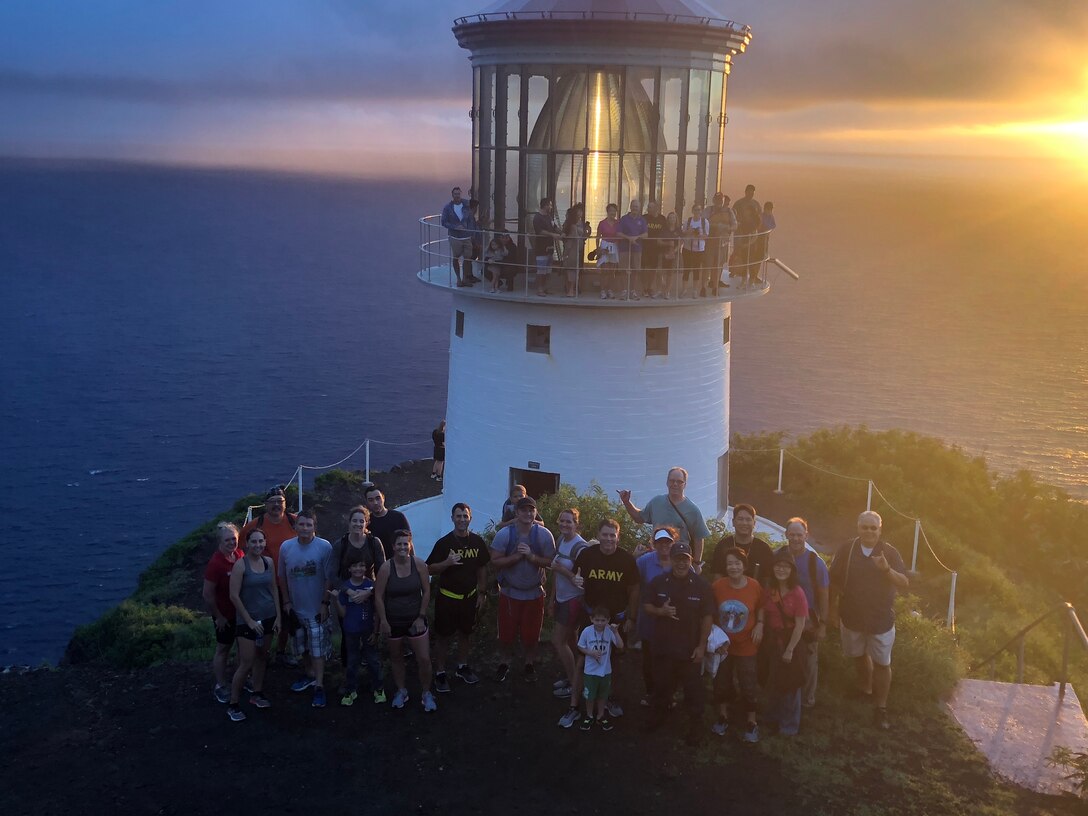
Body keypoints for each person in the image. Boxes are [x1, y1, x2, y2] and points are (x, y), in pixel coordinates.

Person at [829, 511, 909, 731]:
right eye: (865, 527)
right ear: (858, 528)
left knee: (883, 663)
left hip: (880, 619)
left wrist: (886, 569)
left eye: (873, 528)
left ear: (880, 529)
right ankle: (864, 689)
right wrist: (832, 611)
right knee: (858, 654)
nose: (869, 531)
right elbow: (834, 581)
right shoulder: (847, 549)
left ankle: (880, 707)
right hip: (851, 616)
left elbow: (904, 582)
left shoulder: (889, 552)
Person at [643, 540, 715, 745]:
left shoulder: (702, 586)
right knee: (661, 686)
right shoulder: (659, 582)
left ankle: (695, 726)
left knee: (693, 691)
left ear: (691, 560)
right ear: (671, 560)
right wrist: (660, 611)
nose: (681, 563)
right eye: (677, 559)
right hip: (664, 647)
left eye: (685, 559)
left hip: (690, 650)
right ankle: (659, 716)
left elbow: (708, 617)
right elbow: (647, 605)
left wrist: (701, 647)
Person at [570, 518, 639, 718]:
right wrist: (576, 580)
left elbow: (634, 590)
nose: (609, 539)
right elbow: (577, 578)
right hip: (591, 617)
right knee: (582, 660)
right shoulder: (587, 555)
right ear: (598, 535)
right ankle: (574, 705)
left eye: (612, 535)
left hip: (616, 620)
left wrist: (631, 618)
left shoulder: (626, 560)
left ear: (618, 537)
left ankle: (610, 698)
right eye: (605, 534)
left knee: (615, 661)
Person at [489, 495, 556, 682]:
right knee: (506, 633)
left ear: (535, 512)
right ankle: (504, 662)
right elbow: (495, 561)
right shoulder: (505, 534)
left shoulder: (544, 534)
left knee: (532, 634)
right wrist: (517, 557)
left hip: (534, 592)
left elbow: (551, 562)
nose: (528, 513)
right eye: (524, 510)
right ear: (516, 513)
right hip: (510, 592)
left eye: (531, 510)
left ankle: (529, 663)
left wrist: (532, 557)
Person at [426, 503, 489, 692]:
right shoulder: (444, 543)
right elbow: (429, 568)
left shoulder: (477, 542)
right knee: (443, 637)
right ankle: (440, 672)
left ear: (470, 518)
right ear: (452, 518)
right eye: (458, 516)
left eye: (465, 516)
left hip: (469, 598)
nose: (462, 519)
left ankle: (462, 666)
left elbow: (482, 567)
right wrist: (447, 562)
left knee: (465, 634)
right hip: (447, 598)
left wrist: (482, 592)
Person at [277, 509, 335, 708]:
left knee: (317, 650)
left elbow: (329, 578)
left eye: (309, 524)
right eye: (301, 524)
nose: (305, 528)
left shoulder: (324, 547)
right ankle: (310, 674)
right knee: (302, 647)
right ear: (295, 526)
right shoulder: (286, 548)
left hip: (316, 610)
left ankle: (319, 685)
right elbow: (282, 577)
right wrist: (286, 603)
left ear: (314, 527)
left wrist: (325, 603)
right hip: (296, 610)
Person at [375, 530, 436, 711]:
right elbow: (378, 596)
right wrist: (383, 621)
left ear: (410, 545)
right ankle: (401, 691)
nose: (402, 547)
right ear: (393, 546)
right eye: (399, 544)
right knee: (396, 657)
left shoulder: (419, 565)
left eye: (405, 544)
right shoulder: (386, 568)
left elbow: (426, 591)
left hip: (415, 620)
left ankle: (426, 692)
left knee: (424, 659)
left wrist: (421, 616)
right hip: (394, 620)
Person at [226, 527, 281, 721]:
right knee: (246, 662)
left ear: (265, 543)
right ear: (247, 544)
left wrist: (278, 617)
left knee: (262, 657)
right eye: (254, 542)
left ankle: (256, 693)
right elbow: (233, 595)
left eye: (261, 541)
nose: (258, 545)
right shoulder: (241, 565)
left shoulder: (268, 562)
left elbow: (274, 589)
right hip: (247, 621)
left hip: (268, 617)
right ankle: (233, 703)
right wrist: (248, 620)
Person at [711, 547, 763, 742]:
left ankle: (751, 720)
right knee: (721, 681)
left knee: (748, 682)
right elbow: (710, 611)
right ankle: (722, 715)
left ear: (744, 565)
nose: (733, 567)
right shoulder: (718, 586)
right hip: (723, 645)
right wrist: (714, 638)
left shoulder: (754, 586)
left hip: (747, 644)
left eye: (737, 563)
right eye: (730, 563)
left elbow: (762, 607)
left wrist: (760, 623)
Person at [775, 517, 829, 708]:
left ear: (807, 535)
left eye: (800, 535)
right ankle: (782, 697)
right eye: (792, 534)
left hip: (808, 622)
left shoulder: (816, 563)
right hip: (781, 620)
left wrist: (823, 624)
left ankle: (807, 700)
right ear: (786, 534)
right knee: (782, 658)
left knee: (809, 662)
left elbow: (823, 594)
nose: (796, 538)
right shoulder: (778, 556)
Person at [239, 487, 296, 661]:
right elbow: (241, 550)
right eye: (273, 502)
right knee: (265, 619)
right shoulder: (254, 526)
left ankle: (280, 651)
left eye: (281, 501)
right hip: (264, 582)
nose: (277, 505)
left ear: (285, 504)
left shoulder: (295, 521)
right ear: (265, 504)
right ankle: (260, 654)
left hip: (292, 580)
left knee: (287, 621)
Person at [617, 467, 711, 566]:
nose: (675, 484)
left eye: (679, 482)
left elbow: (698, 539)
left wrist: (696, 563)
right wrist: (626, 502)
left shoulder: (692, 510)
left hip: (679, 561)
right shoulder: (657, 502)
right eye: (672, 481)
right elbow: (639, 518)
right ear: (667, 482)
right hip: (657, 559)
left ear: (685, 485)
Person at [763, 553, 809, 736]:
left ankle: (789, 726)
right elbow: (761, 610)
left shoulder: (797, 592)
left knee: (791, 684)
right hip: (773, 641)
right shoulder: (769, 590)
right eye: (778, 566)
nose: (781, 569)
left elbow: (800, 625)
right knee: (773, 681)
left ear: (792, 571)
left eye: (786, 567)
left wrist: (790, 649)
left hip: (792, 642)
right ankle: (772, 718)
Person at [552, 508, 590, 728]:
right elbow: (557, 572)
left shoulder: (580, 547)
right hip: (561, 597)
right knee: (572, 641)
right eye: (562, 521)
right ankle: (575, 677)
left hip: (574, 600)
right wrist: (552, 598)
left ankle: (573, 684)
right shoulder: (561, 539)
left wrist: (560, 569)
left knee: (558, 641)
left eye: (570, 522)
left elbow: (581, 580)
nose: (565, 525)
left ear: (577, 524)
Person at [635, 526, 680, 707]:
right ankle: (651, 692)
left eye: (667, 542)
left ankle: (669, 695)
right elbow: (631, 579)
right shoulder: (644, 561)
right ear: (654, 544)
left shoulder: (681, 561)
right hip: (649, 619)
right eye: (660, 542)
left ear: (673, 542)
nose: (664, 545)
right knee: (649, 659)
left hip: (673, 622)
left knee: (671, 659)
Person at [202, 521, 244, 704]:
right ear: (220, 542)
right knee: (223, 649)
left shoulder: (240, 555)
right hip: (225, 615)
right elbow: (207, 594)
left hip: (241, 613)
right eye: (227, 540)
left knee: (242, 647)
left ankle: (239, 679)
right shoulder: (216, 564)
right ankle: (221, 684)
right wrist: (218, 616)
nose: (231, 543)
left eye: (234, 539)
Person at [333, 557, 383, 706]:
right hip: (350, 630)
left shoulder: (371, 586)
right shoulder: (345, 587)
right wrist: (335, 600)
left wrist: (376, 632)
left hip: (368, 629)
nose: (358, 569)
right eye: (354, 566)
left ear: (366, 568)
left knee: (373, 660)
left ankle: (378, 688)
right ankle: (351, 689)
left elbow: (377, 611)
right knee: (352, 660)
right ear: (349, 569)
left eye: (361, 566)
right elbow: (342, 614)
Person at [576, 607, 625, 731]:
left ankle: (600, 715)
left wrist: (616, 632)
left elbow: (620, 645)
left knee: (603, 695)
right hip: (590, 671)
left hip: (605, 671)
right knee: (590, 696)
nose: (599, 623)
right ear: (591, 619)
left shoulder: (609, 631)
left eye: (603, 620)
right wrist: (590, 653)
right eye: (597, 620)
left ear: (608, 620)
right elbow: (580, 647)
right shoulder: (587, 631)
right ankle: (589, 715)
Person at [708, 503, 776, 585]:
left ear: (754, 523)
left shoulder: (764, 549)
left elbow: (768, 580)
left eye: (748, 519)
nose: (744, 523)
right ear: (733, 522)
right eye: (740, 519)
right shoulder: (723, 545)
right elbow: (717, 577)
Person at [440, 186, 480, 287]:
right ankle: (458, 279)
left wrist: (472, 233)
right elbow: (444, 222)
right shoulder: (447, 208)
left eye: (458, 194)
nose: (457, 196)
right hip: (455, 237)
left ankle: (465, 279)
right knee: (456, 258)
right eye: (455, 194)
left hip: (466, 237)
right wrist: (455, 227)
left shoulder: (466, 204)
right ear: (452, 195)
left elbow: (470, 219)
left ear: (460, 194)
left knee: (467, 258)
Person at [365, 485, 411, 559]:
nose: (375, 503)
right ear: (366, 503)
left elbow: (409, 542)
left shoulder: (398, 517)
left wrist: (413, 564)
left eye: (378, 498)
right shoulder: (366, 522)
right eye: (371, 500)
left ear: (383, 498)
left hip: (398, 563)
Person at [617, 199, 648, 300]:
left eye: (637, 207)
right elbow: (618, 233)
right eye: (633, 206)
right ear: (630, 207)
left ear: (639, 208)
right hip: (624, 248)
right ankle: (624, 291)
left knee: (636, 270)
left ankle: (632, 291)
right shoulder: (624, 219)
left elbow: (646, 234)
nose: (635, 208)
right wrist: (629, 238)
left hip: (637, 248)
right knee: (623, 269)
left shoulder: (642, 220)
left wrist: (636, 237)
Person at [531, 197, 563, 296]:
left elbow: (554, 227)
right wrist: (553, 235)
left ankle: (545, 287)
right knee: (541, 269)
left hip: (550, 247)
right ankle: (540, 288)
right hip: (541, 247)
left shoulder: (549, 217)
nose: (551, 207)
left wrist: (562, 232)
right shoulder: (537, 217)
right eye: (550, 205)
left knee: (548, 270)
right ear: (545, 205)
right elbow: (540, 231)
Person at [708, 192, 738, 292]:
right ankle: (711, 281)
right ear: (713, 200)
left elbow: (735, 225)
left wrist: (729, 228)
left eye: (720, 200)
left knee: (720, 263)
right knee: (711, 262)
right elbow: (703, 222)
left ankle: (716, 282)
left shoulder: (729, 212)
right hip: (710, 241)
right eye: (717, 199)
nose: (718, 201)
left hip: (723, 243)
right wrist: (716, 226)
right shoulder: (709, 210)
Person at [561, 203, 590, 297]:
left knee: (574, 270)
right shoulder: (572, 225)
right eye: (579, 211)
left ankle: (572, 289)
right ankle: (570, 289)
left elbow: (583, 236)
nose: (581, 213)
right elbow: (569, 239)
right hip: (572, 249)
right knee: (571, 269)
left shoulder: (580, 223)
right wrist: (566, 252)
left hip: (577, 249)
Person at [682, 203, 710, 297]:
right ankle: (684, 289)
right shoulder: (688, 221)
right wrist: (689, 232)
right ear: (692, 211)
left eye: (699, 210)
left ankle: (695, 291)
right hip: (687, 248)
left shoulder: (704, 222)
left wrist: (699, 235)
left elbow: (707, 236)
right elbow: (683, 233)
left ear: (701, 211)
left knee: (696, 270)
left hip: (699, 249)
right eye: (695, 210)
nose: (697, 212)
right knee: (686, 269)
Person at [595, 203, 621, 299]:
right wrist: (598, 248)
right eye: (611, 210)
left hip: (614, 246)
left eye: (614, 211)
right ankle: (602, 290)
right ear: (607, 211)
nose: (612, 213)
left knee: (612, 271)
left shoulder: (618, 223)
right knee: (604, 270)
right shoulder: (602, 223)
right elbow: (598, 237)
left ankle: (610, 290)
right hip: (604, 246)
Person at [642, 200, 667, 298]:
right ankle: (644, 288)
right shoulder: (644, 218)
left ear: (656, 208)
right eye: (648, 207)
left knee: (653, 269)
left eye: (650, 207)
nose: (648, 209)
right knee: (644, 269)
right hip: (645, 247)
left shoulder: (662, 219)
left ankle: (650, 287)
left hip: (656, 249)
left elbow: (665, 232)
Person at [660, 211, 682, 298]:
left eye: (673, 218)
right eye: (670, 218)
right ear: (668, 219)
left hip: (674, 254)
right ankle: (662, 288)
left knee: (670, 273)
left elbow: (680, 242)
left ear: (676, 219)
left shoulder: (678, 230)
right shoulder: (664, 229)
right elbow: (659, 241)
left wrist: (674, 251)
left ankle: (667, 291)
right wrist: (668, 244)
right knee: (661, 272)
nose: (672, 219)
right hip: (663, 253)